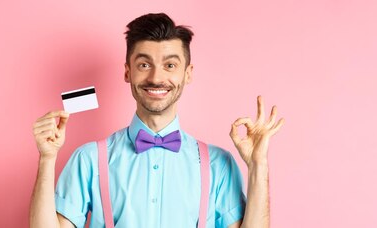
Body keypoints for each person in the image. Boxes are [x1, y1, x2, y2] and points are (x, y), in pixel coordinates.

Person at [29, 13, 285, 228]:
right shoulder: (88, 159)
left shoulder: (219, 164)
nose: (156, 77)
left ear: (188, 74)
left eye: (170, 65)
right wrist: (47, 158)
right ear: (127, 72)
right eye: (144, 64)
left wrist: (258, 165)